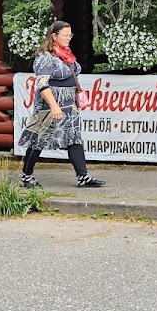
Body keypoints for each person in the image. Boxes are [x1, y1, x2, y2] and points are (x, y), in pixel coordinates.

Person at [18, 21, 104, 189]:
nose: (68, 38)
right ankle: (26, 177)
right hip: (48, 108)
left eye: (69, 35)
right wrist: (54, 106)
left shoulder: (67, 55)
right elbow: (42, 85)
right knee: (37, 141)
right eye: (65, 35)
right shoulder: (45, 58)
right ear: (54, 36)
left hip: (69, 106)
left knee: (74, 138)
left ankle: (83, 177)